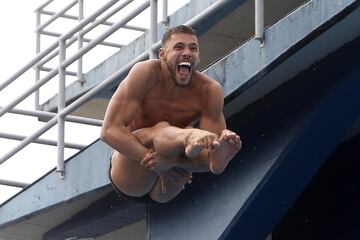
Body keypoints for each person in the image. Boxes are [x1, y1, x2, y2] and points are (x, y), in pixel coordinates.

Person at [100, 25, 241, 204]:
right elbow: (109, 131)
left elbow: (206, 156)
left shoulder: (209, 91)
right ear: (162, 54)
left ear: (198, 57)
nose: (187, 52)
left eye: (193, 48)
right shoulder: (145, 73)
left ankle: (199, 149)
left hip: (170, 180)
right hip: (132, 175)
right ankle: (188, 135)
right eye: (179, 47)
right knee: (161, 129)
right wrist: (152, 160)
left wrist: (172, 161)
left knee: (207, 149)